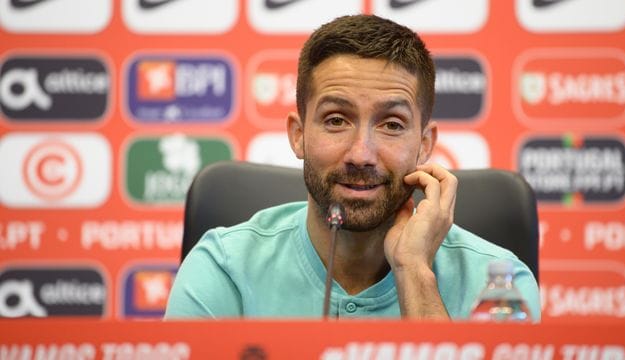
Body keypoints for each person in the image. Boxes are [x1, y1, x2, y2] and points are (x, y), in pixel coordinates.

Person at [164, 14, 541, 320]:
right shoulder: (224, 267)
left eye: (391, 125)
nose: (361, 153)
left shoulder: (498, 284)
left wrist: (413, 272)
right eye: (336, 120)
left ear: (424, 144)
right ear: (298, 135)